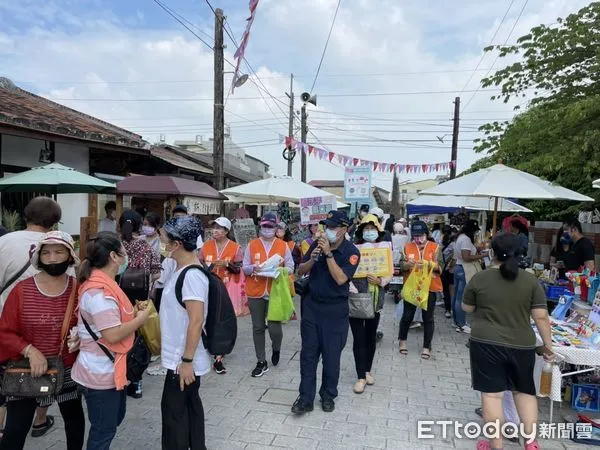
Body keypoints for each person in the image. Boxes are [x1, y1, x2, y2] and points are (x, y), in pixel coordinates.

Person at [462, 232, 553, 450]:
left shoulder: (480, 278)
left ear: (492, 252)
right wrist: (548, 347)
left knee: (492, 396)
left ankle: (496, 444)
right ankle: (531, 443)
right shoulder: (531, 281)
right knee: (524, 392)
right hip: (522, 346)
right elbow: (541, 316)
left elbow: (467, 308)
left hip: (486, 344)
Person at [0, 231, 84, 450]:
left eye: (59, 252)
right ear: (38, 257)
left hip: (66, 369)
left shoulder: (78, 289)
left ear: (69, 255)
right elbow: (5, 331)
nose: (53, 258)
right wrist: (29, 350)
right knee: (15, 430)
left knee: (74, 424)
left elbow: (90, 326)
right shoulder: (21, 291)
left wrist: (81, 338)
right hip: (27, 371)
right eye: (46, 253)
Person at [72, 232, 149, 450]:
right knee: (103, 430)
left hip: (105, 368)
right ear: (114, 256)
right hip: (100, 373)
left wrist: (131, 314)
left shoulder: (102, 285)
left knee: (109, 423)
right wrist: (141, 319)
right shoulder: (100, 292)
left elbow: (109, 322)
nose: (126, 256)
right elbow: (113, 335)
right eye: (123, 252)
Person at [0, 197, 62, 441]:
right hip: (44, 329)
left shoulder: (4, 241)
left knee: (5, 388)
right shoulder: (58, 246)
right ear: (55, 222)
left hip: (5, 327)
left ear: (25, 216)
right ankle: (39, 419)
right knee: (44, 378)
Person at [292, 211, 360, 415]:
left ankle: (328, 394)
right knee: (308, 355)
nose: (327, 231)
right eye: (326, 227)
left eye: (332, 227)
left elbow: (341, 279)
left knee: (331, 357)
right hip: (312, 307)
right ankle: (305, 398)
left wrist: (329, 254)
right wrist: (313, 259)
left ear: (344, 229)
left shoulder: (352, 251)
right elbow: (301, 270)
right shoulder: (316, 244)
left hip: (335, 311)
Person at [159, 216, 209, 450]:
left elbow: (196, 320)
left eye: (164, 239)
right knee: (188, 409)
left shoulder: (192, 276)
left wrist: (187, 361)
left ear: (176, 244)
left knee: (175, 417)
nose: (162, 243)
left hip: (183, 360)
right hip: (179, 358)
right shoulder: (181, 270)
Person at [242, 213, 294, 377]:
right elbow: (244, 267)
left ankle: (276, 347)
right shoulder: (252, 245)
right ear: (260, 227)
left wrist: (280, 270)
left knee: (274, 328)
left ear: (276, 228)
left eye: (271, 226)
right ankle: (261, 361)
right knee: (257, 328)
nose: (267, 229)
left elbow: (291, 267)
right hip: (255, 291)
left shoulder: (283, 245)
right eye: (265, 226)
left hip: (274, 291)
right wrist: (253, 269)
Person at [118, 210, 161, 398]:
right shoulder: (146, 246)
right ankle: (135, 383)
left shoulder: (115, 245)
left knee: (118, 338)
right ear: (138, 226)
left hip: (116, 300)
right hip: (139, 302)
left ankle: (117, 378)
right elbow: (157, 273)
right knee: (137, 341)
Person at [349, 214, 390, 394]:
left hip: (375, 299)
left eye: (372, 229)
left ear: (378, 231)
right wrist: (351, 288)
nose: (369, 232)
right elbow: (347, 271)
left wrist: (380, 281)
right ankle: (360, 376)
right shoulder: (353, 248)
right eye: (366, 229)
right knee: (358, 337)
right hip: (357, 298)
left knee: (370, 336)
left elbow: (389, 271)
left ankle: (367, 370)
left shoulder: (384, 248)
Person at [198, 216, 244, 375]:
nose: (215, 231)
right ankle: (208, 347)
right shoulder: (205, 246)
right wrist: (209, 266)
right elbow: (199, 264)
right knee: (208, 318)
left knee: (223, 321)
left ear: (226, 231)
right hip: (208, 287)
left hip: (227, 289)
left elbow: (239, 269)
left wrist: (227, 264)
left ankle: (219, 356)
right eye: (214, 228)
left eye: (219, 228)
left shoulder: (235, 248)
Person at [398, 220, 442, 359]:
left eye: (421, 236)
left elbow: (441, 268)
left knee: (428, 318)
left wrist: (430, 264)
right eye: (415, 236)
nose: (418, 239)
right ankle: (402, 341)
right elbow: (401, 266)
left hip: (430, 287)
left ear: (427, 234)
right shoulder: (407, 247)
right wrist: (407, 264)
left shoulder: (435, 247)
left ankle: (426, 346)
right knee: (407, 316)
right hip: (412, 286)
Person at [453, 219, 486, 334]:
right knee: (461, 298)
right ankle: (461, 324)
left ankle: (457, 321)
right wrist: (481, 255)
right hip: (464, 269)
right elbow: (466, 257)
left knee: (456, 297)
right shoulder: (466, 239)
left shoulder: (461, 237)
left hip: (458, 268)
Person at [441, 225, 456, 319]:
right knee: (452, 290)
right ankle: (453, 309)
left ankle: (447, 310)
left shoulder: (439, 241)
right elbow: (455, 257)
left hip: (442, 268)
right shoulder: (454, 244)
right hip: (451, 268)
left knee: (445, 290)